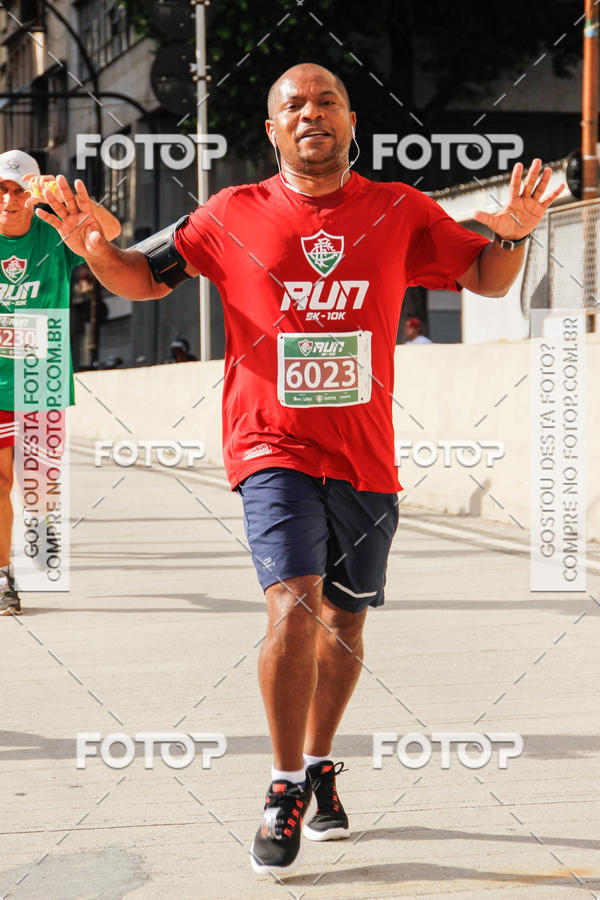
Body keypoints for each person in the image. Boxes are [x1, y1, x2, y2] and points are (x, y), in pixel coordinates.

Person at [34, 63, 563, 874]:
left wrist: (516, 234)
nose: (311, 113)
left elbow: (488, 279)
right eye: (293, 106)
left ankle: (319, 763)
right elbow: (142, 278)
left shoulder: (400, 209)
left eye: (327, 102)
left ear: (351, 123)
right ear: (272, 130)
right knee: (293, 603)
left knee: (346, 621)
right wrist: (95, 251)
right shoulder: (228, 212)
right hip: (268, 445)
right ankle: (283, 786)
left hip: (365, 455)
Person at [0, 149, 120, 615]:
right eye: (1, 190)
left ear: (33, 195)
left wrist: (72, 204)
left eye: (19, 191)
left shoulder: (54, 234)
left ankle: (37, 533)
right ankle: (4, 577)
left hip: (41, 377)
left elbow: (110, 234)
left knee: (38, 488)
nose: (9, 200)